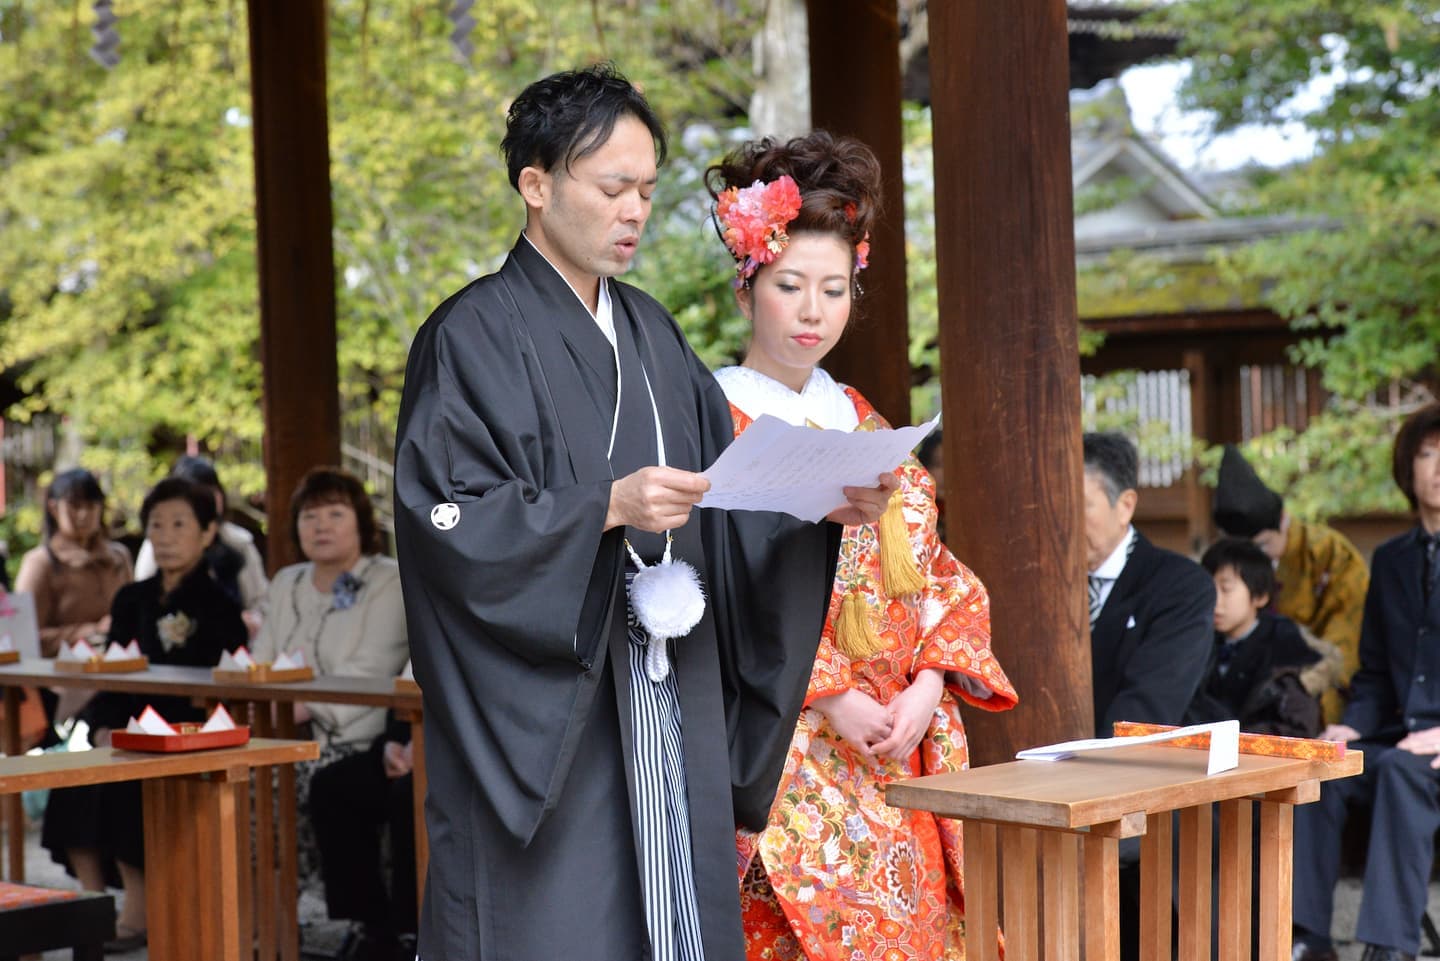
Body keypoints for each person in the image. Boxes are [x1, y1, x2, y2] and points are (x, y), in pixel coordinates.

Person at [392, 64, 893, 961]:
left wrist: (817, 510)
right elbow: (447, 523)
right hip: (557, 718)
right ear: (536, 186)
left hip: (671, 691)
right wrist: (602, 507)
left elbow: (723, 502)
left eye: (648, 190)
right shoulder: (467, 337)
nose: (634, 212)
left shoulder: (655, 334)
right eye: (612, 187)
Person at [705, 131, 1018, 961]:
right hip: (790, 749)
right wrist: (825, 691)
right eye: (790, 285)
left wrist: (926, 681)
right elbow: (713, 590)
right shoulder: (711, 422)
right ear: (748, 290)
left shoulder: (870, 424)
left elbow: (936, 573)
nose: (813, 311)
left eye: (835, 289)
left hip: (895, 747)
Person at [41, 477, 247, 951]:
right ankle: (92, 903)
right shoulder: (130, 598)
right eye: (157, 524)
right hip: (126, 723)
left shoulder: (219, 605)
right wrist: (102, 727)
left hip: (184, 730)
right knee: (78, 776)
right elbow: (115, 671)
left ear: (208, 532)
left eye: (180, 524)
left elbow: (229, 681)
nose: (167, 535)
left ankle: (138, 910)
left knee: (130, 782)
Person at [1292, 403, 1440, 961]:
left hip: (1430, 751)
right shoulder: (1393, 561)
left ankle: (1388, 945)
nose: (1438, 467)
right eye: (1427, 454)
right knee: (1323, 765)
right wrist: (1351, 724)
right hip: (1399, 737)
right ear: (1408, 469)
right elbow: (1374, 672)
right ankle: (1307, 935)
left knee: (1403, 769)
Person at [251, 467, 409, 905]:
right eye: (309, 516)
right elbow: (261, 659)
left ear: (360, 521)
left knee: (287, 781)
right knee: (229, 774)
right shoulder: (287, 582)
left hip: (358, 739)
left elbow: (372, 669)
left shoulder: (388, 580)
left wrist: (295, 707)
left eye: (335, 514)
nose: (320, 526)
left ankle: (323, 917)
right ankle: (259, 913)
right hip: (278, 732)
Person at [1212, 443, 1369, 723]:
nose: (1254, 557)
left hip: (1310, 675)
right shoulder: (1225, 566)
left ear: (1283, 522)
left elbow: (1346, 637)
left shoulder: (1327, 552)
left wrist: (1299, 681)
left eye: (1262, 545)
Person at [1084, 432, 1215, 737]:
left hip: (1129, 771)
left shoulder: (1181, 586)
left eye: (1080, 505)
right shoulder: (1040, 587)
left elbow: (1149, 705)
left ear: (1125, 505)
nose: (1062, 520)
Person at [12, 468, 133, 746]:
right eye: (75, 505)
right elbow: (24, 638)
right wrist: (89, 631)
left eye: (91, 505)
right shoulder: (40, 563)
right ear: (54, 508)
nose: (83, 515)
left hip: (121, 676)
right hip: (61, 690)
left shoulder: (118, 557)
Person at [1183, 537, 1329, 738]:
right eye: (1208, 588)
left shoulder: (1287, 649)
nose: (1214, 600)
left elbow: (1298, 728)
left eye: (1226, 589)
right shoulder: (1195, 640)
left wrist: (1237, 739)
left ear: (1260, 596)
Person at [308, 707, 417, 961]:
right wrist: (391, 743)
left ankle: (412, 931)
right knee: (332, 785)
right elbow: (403, 700)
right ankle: (369, 923)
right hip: (409, 736)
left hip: (451, 747)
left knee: (408, 796)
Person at [133, 454, 269, 635]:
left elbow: (261, 601)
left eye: (211, 490)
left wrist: (251, 619)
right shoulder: (156, 546)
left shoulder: (240, 543)